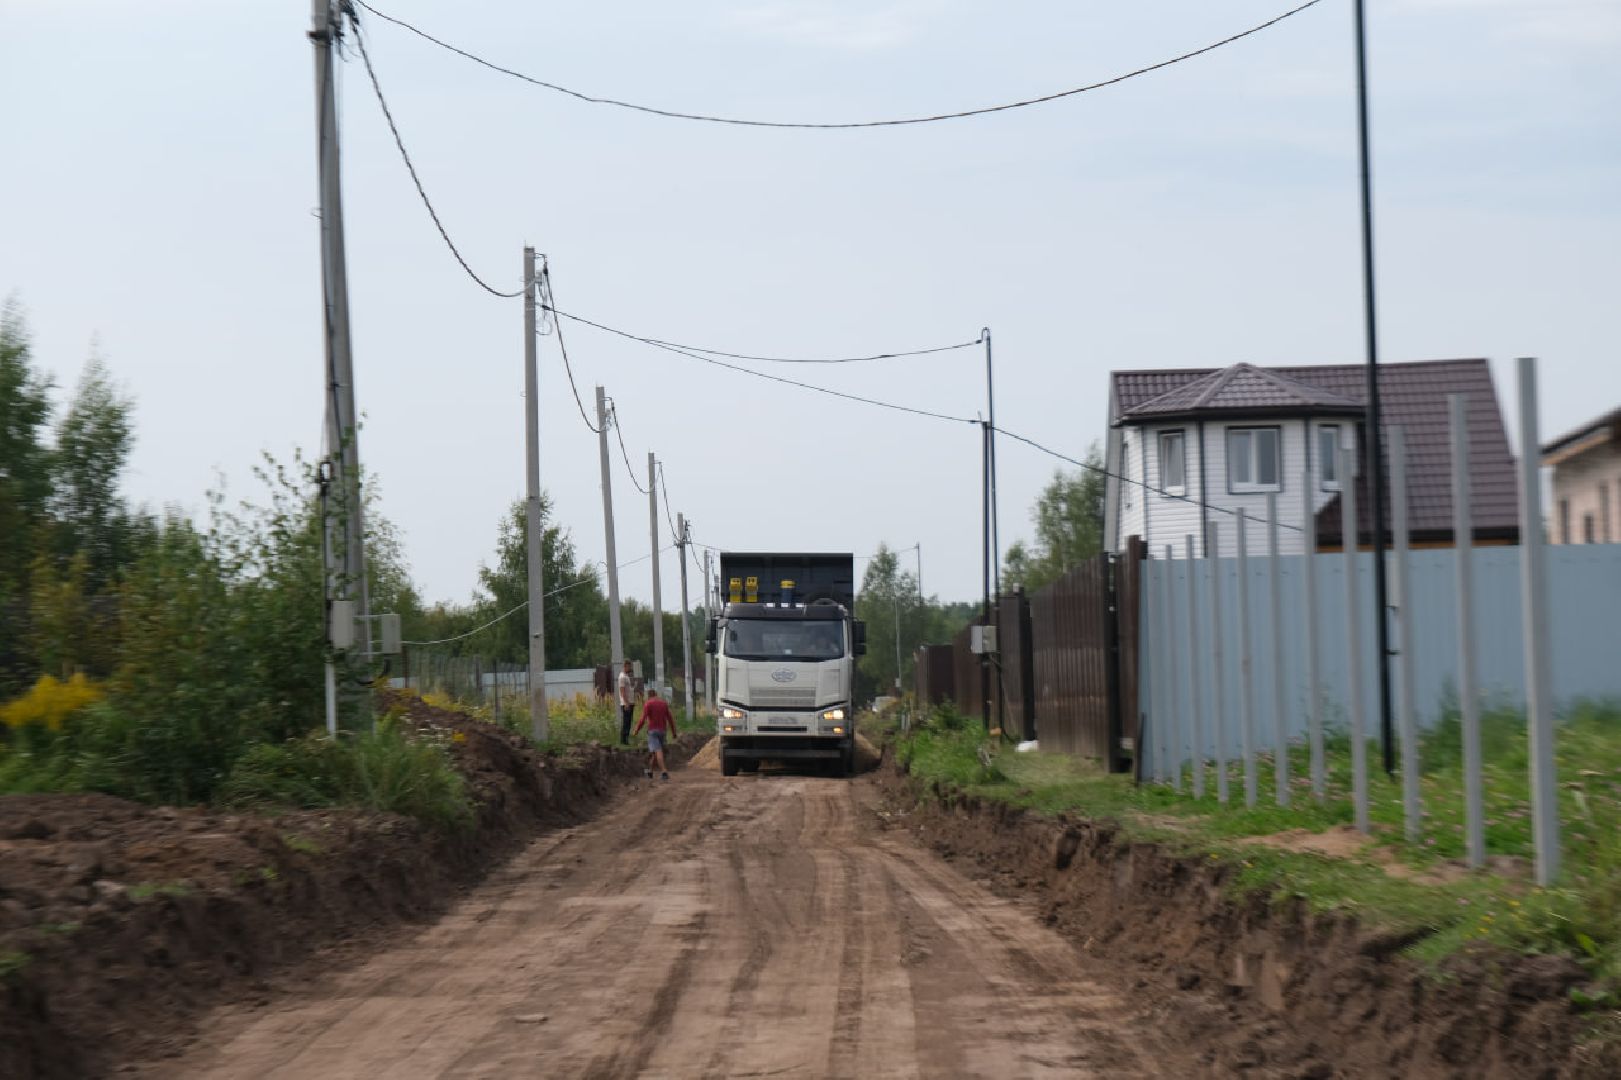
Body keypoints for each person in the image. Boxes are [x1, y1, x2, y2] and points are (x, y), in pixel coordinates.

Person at [632, 685, 678, 781]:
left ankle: (664, 772)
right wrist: (674, 732)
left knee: (657, 751)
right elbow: (670, 719)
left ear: (648, 696)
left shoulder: (648, 704)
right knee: (655, 753)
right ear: (656, 694)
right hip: (662, 731)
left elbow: (642, 719)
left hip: (653, 731)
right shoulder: (663, 704)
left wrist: (636, 730)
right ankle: (650, 772)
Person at [617, 660, 636, 745]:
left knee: (628, 721)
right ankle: (624, 740)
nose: (630, 668)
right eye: (629, 666)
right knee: (626, 721)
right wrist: (626, 703)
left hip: (630, 702)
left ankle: (625, 739)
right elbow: (622, 691)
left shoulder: (626, 676)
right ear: (625, 666)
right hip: (626, 703)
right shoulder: (622, 677)